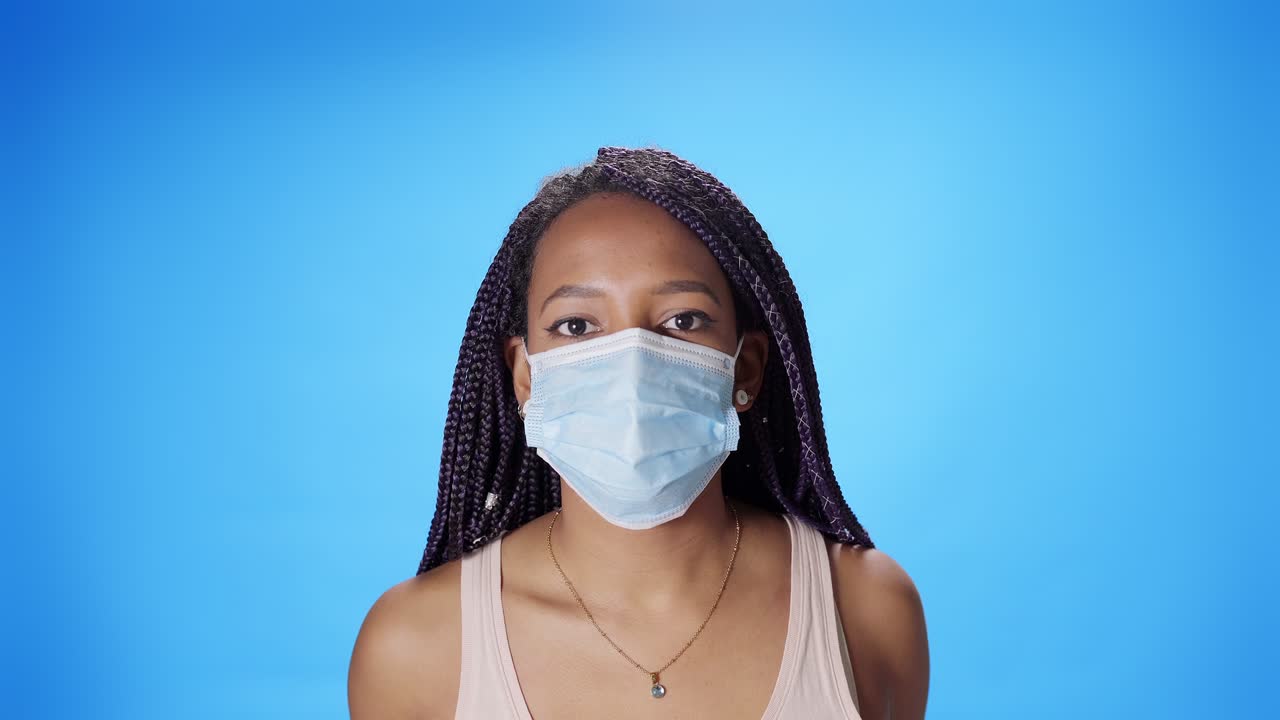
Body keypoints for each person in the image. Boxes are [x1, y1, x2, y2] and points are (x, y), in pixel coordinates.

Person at [348, 146, 929, 719]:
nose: (631, 363)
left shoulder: (865, 609)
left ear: (745, 367)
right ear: (527, 377)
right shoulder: (414, 647)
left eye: (683, 320)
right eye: (577, 326)